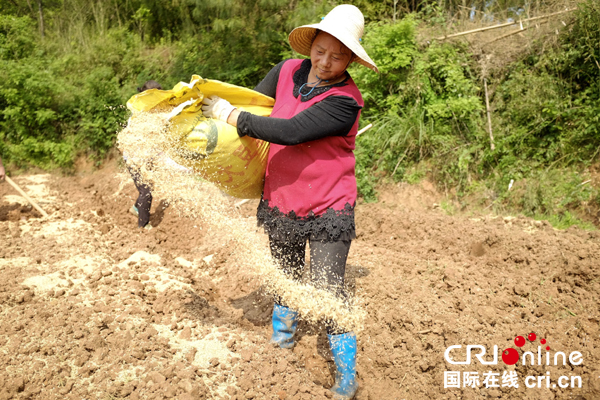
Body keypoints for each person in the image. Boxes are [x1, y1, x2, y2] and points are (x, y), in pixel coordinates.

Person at [202, 5, 378, 399]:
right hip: (281, 198)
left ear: (351, 59)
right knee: (286, 276)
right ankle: (281, 344)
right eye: (320, 50)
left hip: (329, 205)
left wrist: (231, 115)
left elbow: (292, 130)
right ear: (311, 44)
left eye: (337, 56)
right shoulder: (285, 72)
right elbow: (259, 108)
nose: (325, 61)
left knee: (328, 288)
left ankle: (346, 374)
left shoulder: (346, 101)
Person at [126, 80, 163, 229]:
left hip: (148, 158)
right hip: (135, 159)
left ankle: (136, 208)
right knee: (146, 192)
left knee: (148, 188)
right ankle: (143, 225)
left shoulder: (155, 112)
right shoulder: (138, 114)